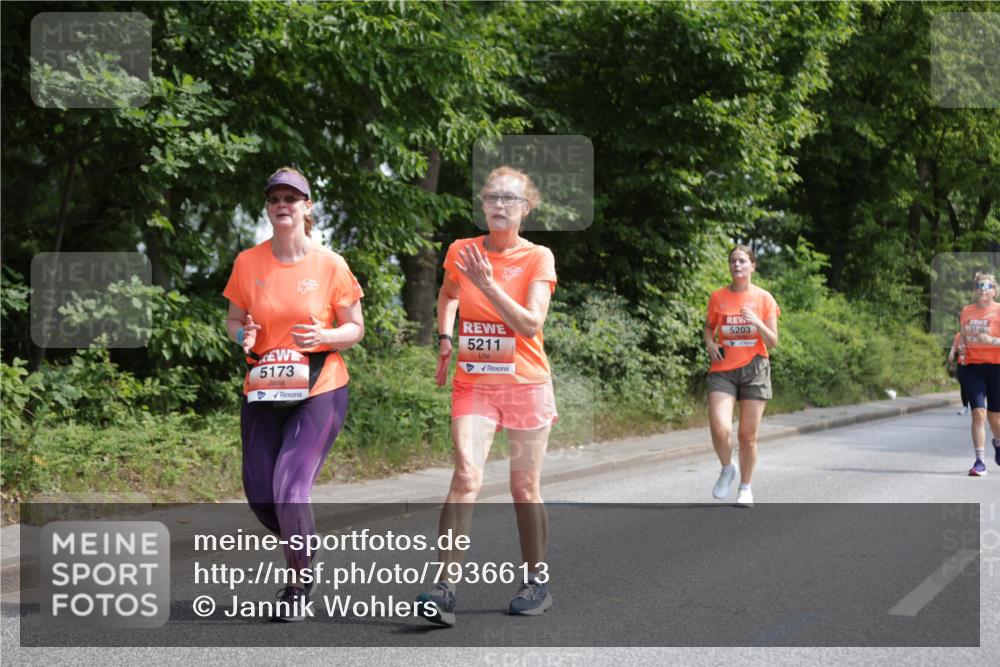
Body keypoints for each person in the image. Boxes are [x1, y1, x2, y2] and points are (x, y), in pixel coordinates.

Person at [417, 166, 558, 627]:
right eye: (493, 197)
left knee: (523, 488)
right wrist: (443, 338)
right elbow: (447, 294)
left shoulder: (538, 257)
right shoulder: (461, 250)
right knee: (465, 475)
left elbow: (530, 324)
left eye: (511, 199)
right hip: (475, 382)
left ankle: (535, 580)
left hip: (526, 385)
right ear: (483, 204)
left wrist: (490, 283)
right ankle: (443, 588)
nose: (501, 205)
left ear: (526, 208)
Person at [223, 167, 364, 621]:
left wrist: (324, 335)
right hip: (263, 390)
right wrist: (241, 335)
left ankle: (299, 584)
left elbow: (355, 328)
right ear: (268, 208)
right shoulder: (248, 262)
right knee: (262, 496)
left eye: (292, 197)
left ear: (307, 207)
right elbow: (233, 320)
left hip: (320, 388)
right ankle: (300, 534)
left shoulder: (331, 264)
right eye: (274, 198)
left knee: (290, 486)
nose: (282, 204)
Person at [704, 245, 779, 508]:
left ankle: (745, 487)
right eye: (733, 261)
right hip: (723, 368)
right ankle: (727, 468)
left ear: (752, 266)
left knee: (747, 436)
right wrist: (710, 343)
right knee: (720, 428)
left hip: (755, 369)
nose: (737, 265)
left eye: (742, 261)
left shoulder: (764, 298)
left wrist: (757, 322)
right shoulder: (718, 297)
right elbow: (709, 327)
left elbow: (773, 342)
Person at [955, 272, 1000, 476]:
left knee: (995, 418)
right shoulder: (966, 311)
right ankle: (980, 461)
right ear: (974, 290)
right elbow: (963, 334)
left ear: (995, 291)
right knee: (978, 412)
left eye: (987, 285)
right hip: (971, 367)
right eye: (979, 285)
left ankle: (998, 442)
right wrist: (962, 346)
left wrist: (992, 342)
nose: (983, 288)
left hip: (996, 367)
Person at [948, 331, 970, 416]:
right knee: (963, 385)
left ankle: (979, 405)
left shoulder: (974, 333)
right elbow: (954, 347)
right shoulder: (958, 335)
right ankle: (965, 406)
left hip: (973, 363)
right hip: (961, 363)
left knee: (973, 385)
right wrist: (951, 354)